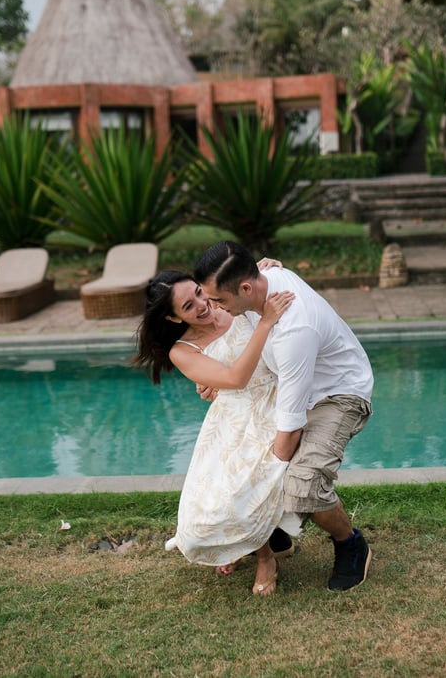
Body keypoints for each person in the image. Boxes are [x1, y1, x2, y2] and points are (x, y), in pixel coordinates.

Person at [194, 241, 374, 591]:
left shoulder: (294, 329)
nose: (213, 307)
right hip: (293, 386)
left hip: (338, 395)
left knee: (302, 485)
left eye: (219, 301)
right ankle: (275, 534)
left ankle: (350, 544)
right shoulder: (262, 281)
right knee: (238, 453)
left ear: (246, 288)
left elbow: (290, 430)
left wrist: (256, 484)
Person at [132, 268, 301, 596]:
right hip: (232, 416)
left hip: (275, 403)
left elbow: (252, 277)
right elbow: (235, 380)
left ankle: (265, 557)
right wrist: (265, 322)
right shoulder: (181, 350)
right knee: (205, 511)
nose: (201, 304)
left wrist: (265, 269)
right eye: (187, 305)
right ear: (171, 318)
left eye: (198, 291)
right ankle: (247, 547)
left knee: (245, 487)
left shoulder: (228, 304)